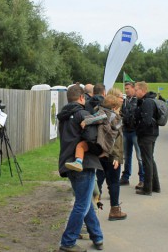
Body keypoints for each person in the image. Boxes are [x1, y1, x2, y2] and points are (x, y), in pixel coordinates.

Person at [57, 84, 104, 252]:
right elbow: (92, 138)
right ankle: (68, 242)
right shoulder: (82, 114)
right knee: (82, 204)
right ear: (82, 98)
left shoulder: (63, 116)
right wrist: (100, 150)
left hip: (68, 163)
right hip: (84, 164)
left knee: (85, 202)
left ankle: (97, 237)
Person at [65, 95, 122, 172]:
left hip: (99, 143)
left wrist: (86, 121)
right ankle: (104, 153)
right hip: (108, 146)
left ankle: (78, 162)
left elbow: (97, 118)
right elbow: (117, 134)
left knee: (80, 146)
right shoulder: (117, 119)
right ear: (115, 108)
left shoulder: (104, 113)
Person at [96, 89, 128, 221]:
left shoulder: (98, 114)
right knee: (114, 183)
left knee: (97, 181)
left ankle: (93, 208)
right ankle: (114, 210)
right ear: (114, 107)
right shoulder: (115, 119)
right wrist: (117, 157)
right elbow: (116, 140)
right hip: (111, 156)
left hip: (99, 154)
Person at [134, 81, 161, 195]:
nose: (135, 92)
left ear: (142, 90)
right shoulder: (146, 101)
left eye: (136, 90)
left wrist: (138, 130)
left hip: (147, 135)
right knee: (150, 159)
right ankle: (155, 186)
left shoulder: (147, 102)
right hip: (150, 133)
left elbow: (146, 121)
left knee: (147, 161)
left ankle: (148, 188)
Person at [120, 82, 145, 189]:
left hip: (135, 131)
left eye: (128, 88)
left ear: (133, 89)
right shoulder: (125, 101)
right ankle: (125, 177)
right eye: (125, 89)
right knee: (126, 155)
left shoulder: (138, 101)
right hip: (126, 130)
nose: (126, 91)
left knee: (139, 156)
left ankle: (142, 179)